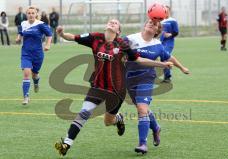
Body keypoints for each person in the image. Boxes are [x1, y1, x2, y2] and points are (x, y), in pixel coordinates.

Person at [54, 19, 173, 156]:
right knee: (84, 113)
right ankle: (67, 144)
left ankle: (118, 119)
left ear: (118, 31)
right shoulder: (95, 38)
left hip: (116, 91)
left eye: (115, 23)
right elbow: (74, 37)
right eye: (110, 21)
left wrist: (162, 65)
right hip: (97, 87)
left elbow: (139, 60)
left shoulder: (122, 44)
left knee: (108, 121)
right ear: (105, 26)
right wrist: (62, 34)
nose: (112, 23)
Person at [125, 19, 189, 154]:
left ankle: (142, 144)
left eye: (155, 25)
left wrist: (182, 67)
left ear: (156, 31)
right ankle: (156, 128)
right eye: (149, 22)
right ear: (144, 25)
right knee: (142, 108)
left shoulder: (157, 45)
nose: (151, 24)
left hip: (146, 78)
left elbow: (169, 57)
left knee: (142, 109)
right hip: (130, 78)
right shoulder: (130, 38)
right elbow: (117, 49)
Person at [15, 6, 52, 105]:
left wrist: (48, 45)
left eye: (33, 13)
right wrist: (18, 38)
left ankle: (36, 83)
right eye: (29, 13)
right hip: (26, 53)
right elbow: (20, 33)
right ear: (26, 14)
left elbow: (49, 34)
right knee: (26, 73)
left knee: (35, 74)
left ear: (36, 14)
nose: (31, 15)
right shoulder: (23, 24)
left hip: (38, 54)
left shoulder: (40, 24)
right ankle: (26, 96)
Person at [160, 6, 179, 82]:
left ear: (169, 11)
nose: (165, 12)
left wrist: (170, 35)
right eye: (164, 11)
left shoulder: (173, 21)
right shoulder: (160, 21)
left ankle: (168, 77)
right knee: (162, 59)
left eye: (167, 11)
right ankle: (166, 76)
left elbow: (176, 32)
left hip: (169, 42)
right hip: (161, 42)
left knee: (166, 57)